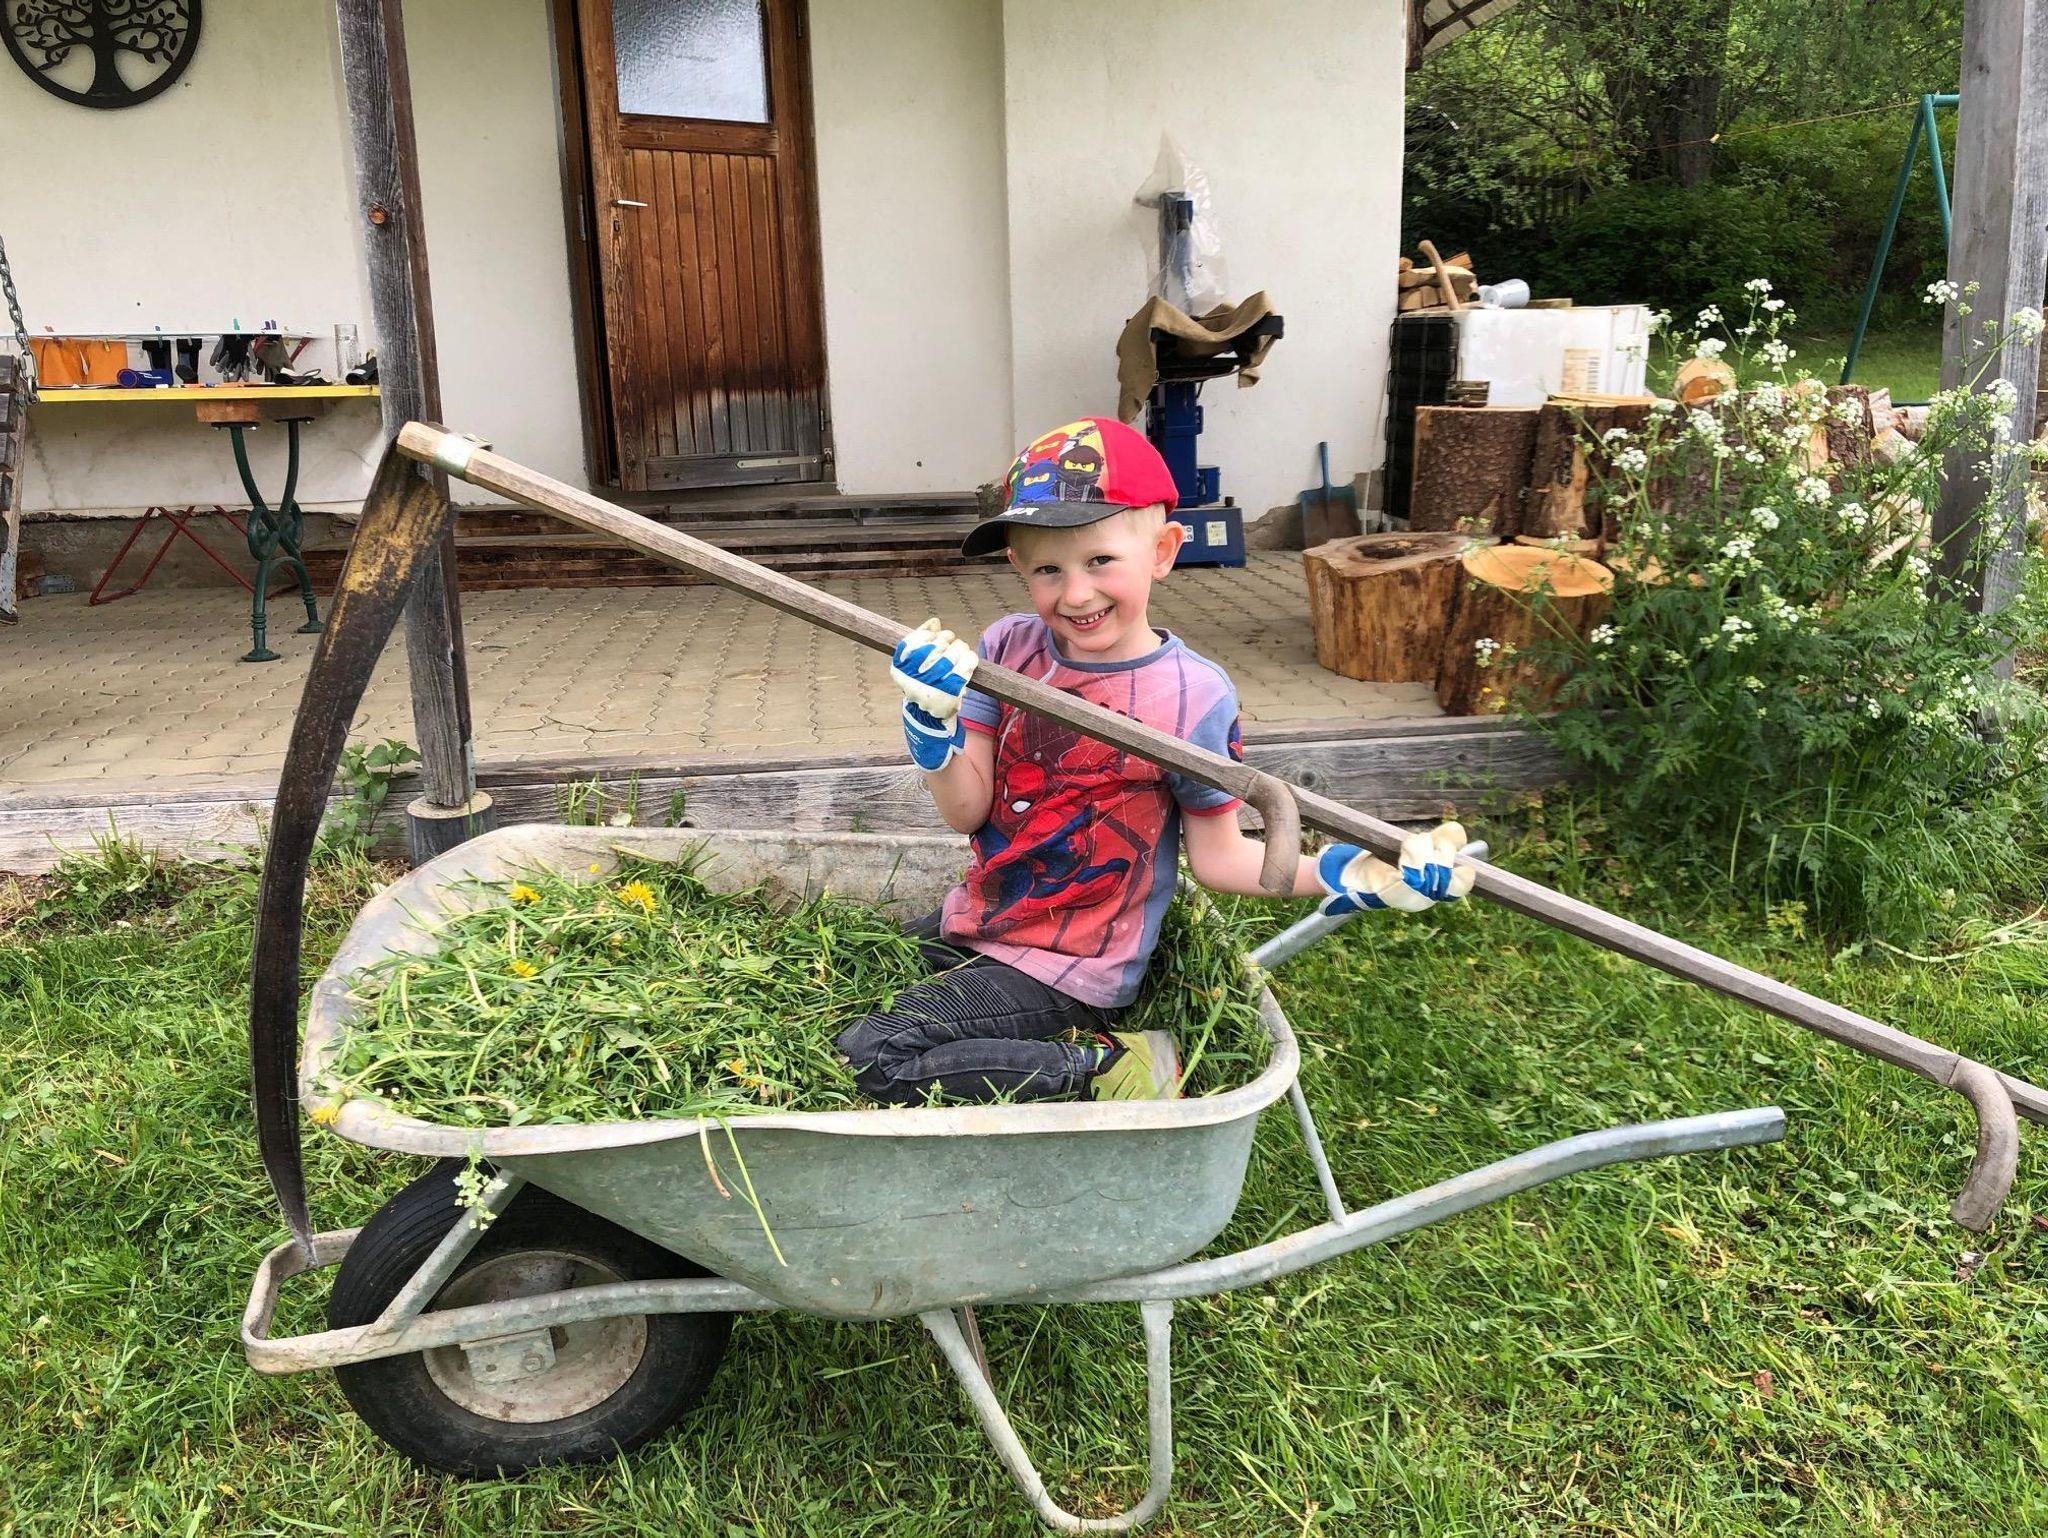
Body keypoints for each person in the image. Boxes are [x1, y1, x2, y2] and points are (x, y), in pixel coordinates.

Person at [835, 417, 1475, 1105]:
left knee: (870, 1054)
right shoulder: (1008, 649)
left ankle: (1119, 1070)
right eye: (1048, 569)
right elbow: (969, 811)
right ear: (1018, 564)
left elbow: (1221, 860)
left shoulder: (1192, 696)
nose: (1075, 594)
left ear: (1163, 551)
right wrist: (932, 728)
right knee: (845, 963)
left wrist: (1348, 873)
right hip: (986, 920)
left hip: (1072, 963)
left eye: (1099, 561)